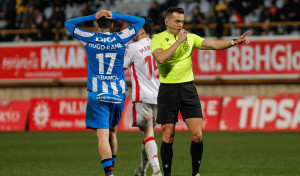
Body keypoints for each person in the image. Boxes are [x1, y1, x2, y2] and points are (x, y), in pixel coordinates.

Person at [151, 6, 250, 176]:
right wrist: (179, 41)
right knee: (168, 136)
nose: (180, 25)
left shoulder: (190, 37)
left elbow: (212, 44)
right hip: (168, 89)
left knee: (197, 135)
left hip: (188, 88)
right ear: (167, 21)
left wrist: (233, 42)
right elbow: (161, 58)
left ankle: (195, 173)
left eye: (182, 21)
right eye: (177, 21)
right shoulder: (158, 39)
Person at [64, 10, 145, 176]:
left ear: (96, 24)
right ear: (112, 24)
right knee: (113, 132)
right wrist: (115, 14)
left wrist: (90, 16)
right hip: (118, 94)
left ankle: (109, 173)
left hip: (97, 93)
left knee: (102, 135)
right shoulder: (121, 37)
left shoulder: (89, 38)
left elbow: (68, 24)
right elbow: (139, 22)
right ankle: (111, 170)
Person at [124, 17, 162, 176]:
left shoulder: (133, 47)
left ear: (141, 30)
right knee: (148, 136)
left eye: (134, 28)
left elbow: (121, 67)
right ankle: (142, 170)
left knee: (147, 134)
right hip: (159, 97)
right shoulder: (158, 46)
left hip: (143, 97)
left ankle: (156, 171)